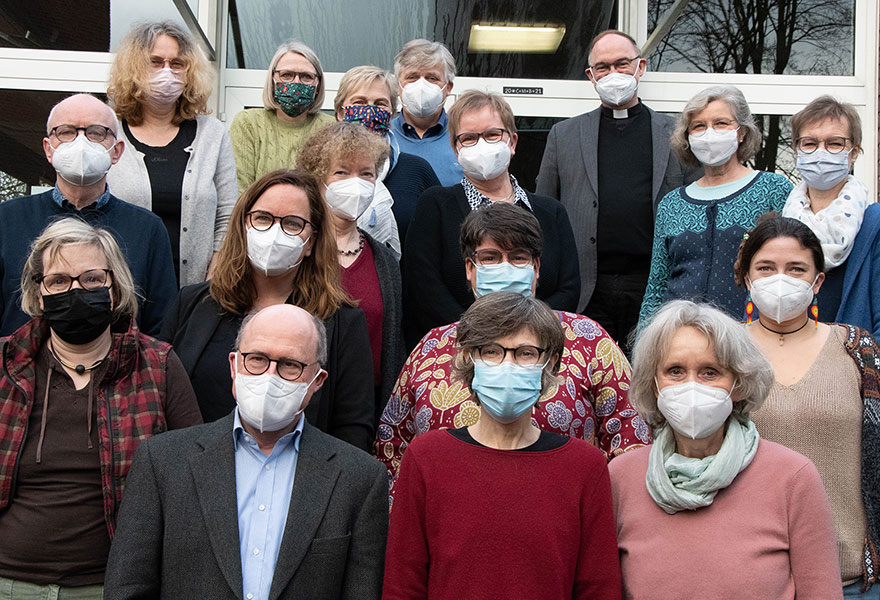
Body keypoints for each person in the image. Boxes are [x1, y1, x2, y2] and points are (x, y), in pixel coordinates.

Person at [104, 304, 387, 600]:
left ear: (317, 381)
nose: (270, 375)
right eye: (257, 359)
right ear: (234, 365)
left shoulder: (359, 480)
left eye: (290, 365)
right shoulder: (162, 462)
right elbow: (128, 587)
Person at [376, 203, 648, 497]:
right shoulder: (432, 347)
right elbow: (392, 448)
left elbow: (632, 439)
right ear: (470, 268)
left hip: (561, 522)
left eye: (518, 257)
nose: (505, 268)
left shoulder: (588, 340)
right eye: (491, 258)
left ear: (536, 268)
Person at [0, 218, 202, 597]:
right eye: (58, 281)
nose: (75, 291)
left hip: (112, 585)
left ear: (114, 286)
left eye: (92, 279)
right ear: (38, 293)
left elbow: (193, 480)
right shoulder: (6, 363)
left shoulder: (157, 366)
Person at [383, 292, 621, 599]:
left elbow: (599, 588)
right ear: (469, 358)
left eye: (525, 353)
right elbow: (403, 585)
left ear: (549, 363)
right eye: (492, 351)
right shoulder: (426, 458)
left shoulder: (584, 467)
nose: (508, 364)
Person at [609, 300, 842, 598]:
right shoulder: (621, 478)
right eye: (675, 371)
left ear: (739, 384)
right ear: (655, 385)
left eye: (710, 372)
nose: (692, 386)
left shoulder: (792, 478)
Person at [159, 169, 375, 451]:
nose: (275, 232)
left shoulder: (343, 322)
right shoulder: (192, 304)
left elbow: (353, 428)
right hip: (192, 477)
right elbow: (159, 399)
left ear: (310, 241)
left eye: (292, 223)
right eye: (262, 218)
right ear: (243, 225)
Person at [733, 215, 879, 597]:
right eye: (766, 268)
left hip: (850, 578)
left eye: (796, 269)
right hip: (749, 577)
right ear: (748, 280)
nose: (780, 279)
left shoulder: (858, 351)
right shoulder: (720, 352)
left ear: (817, 281)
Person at [536, 29, 701, 347]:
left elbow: (695, 204)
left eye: (622, 64)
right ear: (591, 75)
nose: (613, 73)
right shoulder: (563, 135)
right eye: (603, 67)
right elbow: (545, 214)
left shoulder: (676, 134)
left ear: (640, 67)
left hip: (654, 286)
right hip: (585, 289)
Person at [404, 90, 580, 348]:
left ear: (513, 142)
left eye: (492, 134)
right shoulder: (435, 206)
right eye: (469, 138)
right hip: (460, 349)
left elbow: (569, 288)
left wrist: (527, 335)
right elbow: (424, 287)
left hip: (539, 350)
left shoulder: (550, 212)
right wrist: (481, 336)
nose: (482, 144)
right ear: (455, 148)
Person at [0, 93, 177, 337]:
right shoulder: (7, 220)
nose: (81, 142)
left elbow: (162, 325)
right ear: (48, 149)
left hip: (119, 371)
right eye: (66, 132)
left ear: (117, 151)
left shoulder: (148, 229)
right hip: (20, 371)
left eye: (96, 132)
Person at [638, 85, 792, 325]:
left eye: (721, 123)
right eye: (699, 126)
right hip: (679, 336)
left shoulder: (774, 189)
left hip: (750, 335)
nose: (709, 132)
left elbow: (795, 269)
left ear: (741, 132)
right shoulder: (672, 203)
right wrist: (644, 344)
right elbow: (657, 285)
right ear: (688, 137)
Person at [106, 21, 238, 286]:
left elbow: (228, 212)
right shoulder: (109, 131)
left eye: (177, 63)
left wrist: (216, 268)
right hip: (122, 289)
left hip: (194, 290)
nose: (167, 71)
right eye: (155, 62)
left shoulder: (212, 134)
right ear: (134, 67)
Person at [298, 122, 405, 426]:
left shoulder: (385, 259)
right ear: (318, 179)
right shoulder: (297, 252)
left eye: (366, 174)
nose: (355, 184)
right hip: (302, 406)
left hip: (366, 412)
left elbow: (393, 344)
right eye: (342, 172)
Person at [782, 96, 880, 337]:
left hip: (853, 363)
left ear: (854, 152)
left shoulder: (874, 224)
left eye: (835, 143)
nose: (821, 152)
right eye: (809, 143)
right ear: (796, 150)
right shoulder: (780, 226)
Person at [334, 65, 440, 247]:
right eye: (359, 102)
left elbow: (441, 237)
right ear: (340, 113)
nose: (370, 110)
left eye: (380, 103)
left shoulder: (416, 170)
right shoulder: (320, 170)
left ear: (391, 113)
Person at [229, 41, 334, 194]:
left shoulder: (330, 128)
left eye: (306, 76)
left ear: (318, 84)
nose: (296, 83)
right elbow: (239, 191)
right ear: (273, 79)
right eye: (287, 75)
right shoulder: (248, 123)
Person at [389, 39, 463, 186]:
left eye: (432, 78)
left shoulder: (465, 137)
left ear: (448, 87)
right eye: (412, 77)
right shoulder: (384, 136)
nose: (421, 85)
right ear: (398, 86)